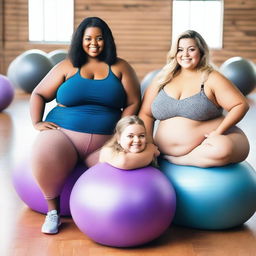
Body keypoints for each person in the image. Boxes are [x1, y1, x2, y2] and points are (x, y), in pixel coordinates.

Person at [29, 17, 141, 234]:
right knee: (44, 147)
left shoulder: (120, 67)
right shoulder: (67, 66)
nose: (94, 43)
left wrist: (121, 131)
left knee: (125, 169)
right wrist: (37, 122)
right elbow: (39, 93)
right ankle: (53, 212)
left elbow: (134, 101)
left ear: (107, 40)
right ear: (80, 40)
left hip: (105, 141)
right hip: (63, 137)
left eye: (99, 38)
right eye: (88, 38)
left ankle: (106, 216)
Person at [139, 30, 250, 168]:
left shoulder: (211, 78)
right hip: (162, 150)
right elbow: (146, 114)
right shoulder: (162, 79)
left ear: (201, 52)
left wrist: (218, 131)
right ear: (174, 53)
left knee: (221, 149)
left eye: (191, 49)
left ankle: (182, 160)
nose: (185, 54)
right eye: (180, 50)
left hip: (208, 146)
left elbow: (240, 104)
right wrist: (148, 145)